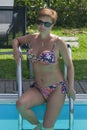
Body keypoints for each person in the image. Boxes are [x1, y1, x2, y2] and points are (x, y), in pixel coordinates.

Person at [12, 8, 76, 130]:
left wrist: (71, 86)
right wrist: (16, 49)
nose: (42, 26)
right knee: (20, 105)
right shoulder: (33, 38)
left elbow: (69, 65)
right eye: (40, 22)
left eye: (47, 24)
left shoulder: (58, 43)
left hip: (56, 89)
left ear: (52, 25)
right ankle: (37, 125)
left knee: (49, 126)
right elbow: (16, 40)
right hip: (38, 88)